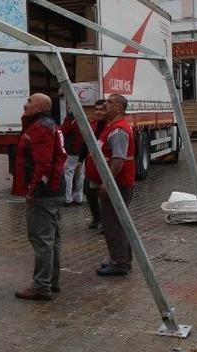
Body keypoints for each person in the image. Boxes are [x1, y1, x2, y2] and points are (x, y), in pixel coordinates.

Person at [13, 93, 67, 301]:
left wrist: (34, 190)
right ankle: (50, 281)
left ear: (39, 107)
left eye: (29, 102)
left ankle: (41, 286)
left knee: (42, 239)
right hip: (53, 190)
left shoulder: (41, 128)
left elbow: (43, 163)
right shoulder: (45, 125)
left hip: (45, 193)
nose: (25, 105)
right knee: (52, 238)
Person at [84, 94, 136, 276]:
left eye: (110, 102)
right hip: (114, 184)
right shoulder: (111, 127)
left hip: (118, 185)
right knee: (117, 222)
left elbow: (118, 160)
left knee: (113, 224)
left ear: (119, 109)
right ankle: (121, 259)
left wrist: (108, 183)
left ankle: (119, 263)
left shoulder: (119, 130)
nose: (105, 104)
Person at [81, 99, 107, 229]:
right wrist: (80, 161)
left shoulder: (110, 126)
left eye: (102, 109)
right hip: (91, 166)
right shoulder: (92, 124)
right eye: (96, 109)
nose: (98, 112)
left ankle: (106, 223)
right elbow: (85, 143)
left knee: (105, 197)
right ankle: (96, 219)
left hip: (105, 167)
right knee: (89, 192)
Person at [60, 108, 85, 207]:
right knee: (80, 175)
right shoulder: (83, 119)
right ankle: (78, 198)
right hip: (81, 151)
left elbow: (63, 130)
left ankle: (67, 198)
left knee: (68, 173)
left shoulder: (71, 119)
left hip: (72, 150)